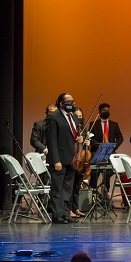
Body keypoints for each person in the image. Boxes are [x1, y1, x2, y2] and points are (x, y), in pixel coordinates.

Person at [45, 93, 85, 224]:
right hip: (59, 159)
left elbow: (74, 134)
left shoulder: (73, 116)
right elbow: (51, 141)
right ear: (61, 103)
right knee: (57, 188)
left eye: (73, 101)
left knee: (68, 188)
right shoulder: (53, 117)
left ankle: (66, 213)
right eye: (69, 102)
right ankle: (57, 215)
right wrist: (56, 160)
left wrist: (80, 138)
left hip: (72, 158)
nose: (72, 104)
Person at [88, 103, 124, 190]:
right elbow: (90, 137)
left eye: (108, 111)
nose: (106, 112)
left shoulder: (114, 124)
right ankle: (93, 192)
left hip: (110, 152)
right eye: (104, 110)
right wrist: (100, 145)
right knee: (94, 173)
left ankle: (105, 192)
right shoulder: (93, 124)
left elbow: (120, 138)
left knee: (109, 172)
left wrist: (113, 147)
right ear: (100, 112)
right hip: (96, 151)